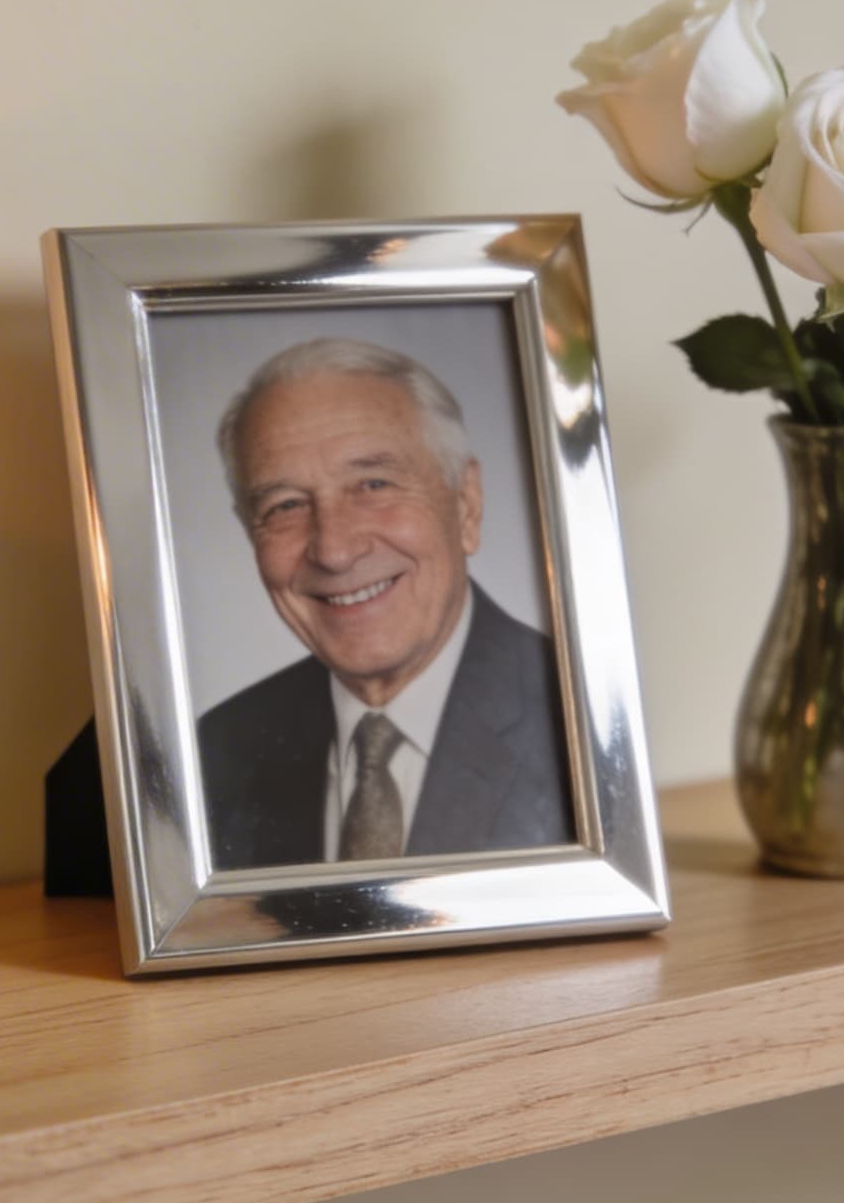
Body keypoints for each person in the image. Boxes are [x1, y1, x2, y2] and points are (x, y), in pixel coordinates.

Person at [196, 337, 575, 870]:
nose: (334, 549)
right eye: (285, 506)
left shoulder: (576, 716)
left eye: (373, 484)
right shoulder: (218, 749)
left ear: (465, 504)